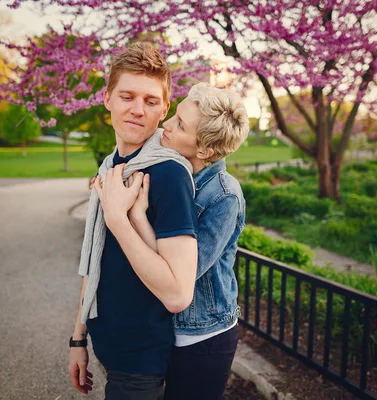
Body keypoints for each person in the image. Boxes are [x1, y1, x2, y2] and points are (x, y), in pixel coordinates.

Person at [95, 82, 249, 399]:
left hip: (202, 336)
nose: (166, 125)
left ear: (205, 149)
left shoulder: (224, 195)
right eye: (175, 115)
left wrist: (134, 217)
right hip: (165, 328)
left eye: (179, 124)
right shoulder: (169, 168)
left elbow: (181, 274)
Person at [68, 42, 199, 400]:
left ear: (164, 108)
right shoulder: (110, 168)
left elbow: (177, 293)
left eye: (151, 101)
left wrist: (118, 217)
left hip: (141, 362)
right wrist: (78, 338)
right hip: (107, 347)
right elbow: (92, 262)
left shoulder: (167, 175)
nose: (137, 110)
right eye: (127, 96)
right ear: (107, 98)